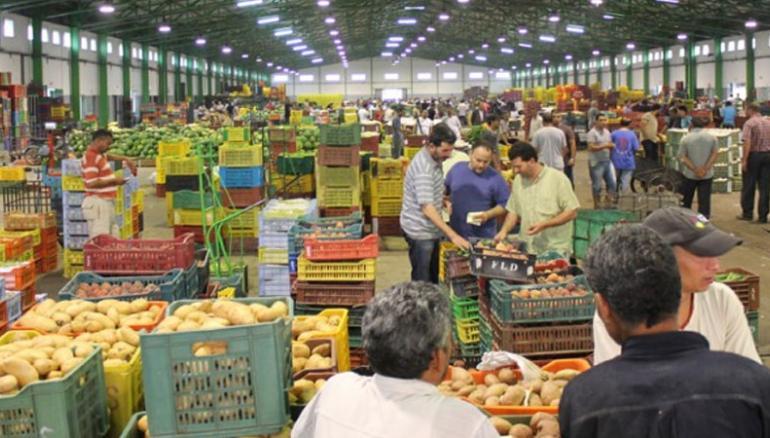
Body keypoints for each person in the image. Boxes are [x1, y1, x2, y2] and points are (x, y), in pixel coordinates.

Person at [562, 224, 770, 438]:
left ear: (604, 307)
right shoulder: (757, 384)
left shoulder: (585, 399)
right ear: (677, 290)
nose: (715, 265)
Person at [293, 282, 499, 438]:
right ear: (436, 359)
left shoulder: (336, 390)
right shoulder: (466, 424)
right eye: (449, 343)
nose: (452, 348)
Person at [593, 207, 760, 364]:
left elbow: (747, 370)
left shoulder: (722, 299)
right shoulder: (621, 310)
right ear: (661, 258)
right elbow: (618, 380)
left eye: (715, 254)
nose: (715, 266)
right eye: (701, 254)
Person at [400, 123, 469, 283]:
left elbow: (427, 193)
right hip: (420, 231)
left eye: (450, 150)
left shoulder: (432, 158)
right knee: (422, 281)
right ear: (431, 146)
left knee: (432, 276)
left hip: (430, 229)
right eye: (445, 150)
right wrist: (452, 235)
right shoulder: (424, 168)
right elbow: (427, 207)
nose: (449, 155)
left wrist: (442, 199)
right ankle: (419, 307)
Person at [494, 142, 579, 256]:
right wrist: (504, 231)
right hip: (527, 248)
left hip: (554, 250)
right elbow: (513, 211)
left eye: (518, 166)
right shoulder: (518, 181)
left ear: (532, 161)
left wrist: (545, 224)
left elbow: (572, 212)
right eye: (513, 166)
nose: (515, 171)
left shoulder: (558, 179)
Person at [444, 144, 510, 240]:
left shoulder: (495, 178)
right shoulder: (457, 169)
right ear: (470, 154)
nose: (481, 165)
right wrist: (445, 201)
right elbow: (445, 189)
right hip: (456, 234)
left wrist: (487, 215)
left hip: (482, 237)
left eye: (486, 162)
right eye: (478, 160)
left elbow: (506, 204)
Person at [80, 129, 133, 238]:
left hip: (105, 203)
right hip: (98, 203)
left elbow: (109, 156)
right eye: (107, 143)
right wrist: (114, 181)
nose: (108, 146)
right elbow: (91, 183)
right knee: (101, 239)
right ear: (100, 140)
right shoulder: (91, 157)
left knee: (112, 237)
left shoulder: (100, 155)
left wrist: (126, 159)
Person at [678, 117, 719, 218]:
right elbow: (715, 154)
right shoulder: (712, 138)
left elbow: (682, 157)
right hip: (707, 175)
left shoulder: (685, 138)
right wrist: (705, 169)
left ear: (691, 126)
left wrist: (695, 169)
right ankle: (702, 222)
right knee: (704, 201)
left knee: (687, 199)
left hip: (690, 175)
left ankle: (686, 220)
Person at [738, 103, 770, 223]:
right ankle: (763, 216)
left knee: (749, 185)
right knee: (765, 187)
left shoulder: (749, 123)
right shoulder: (768, 121)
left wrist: (744, 160)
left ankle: (747, 213)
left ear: (750, 110)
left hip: (754, 156)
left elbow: (747, 142)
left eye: (745, 109)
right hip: (768, 156)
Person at [587, 114, 617, 208]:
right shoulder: (592, 133)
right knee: (597, 186)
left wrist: (611, 146)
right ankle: (597, 205)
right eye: (601, 120)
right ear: (596, 121)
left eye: (605, 120)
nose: (603, 122)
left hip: (607, 161)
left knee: (612, 184)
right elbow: (591, 147)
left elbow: (609, 143)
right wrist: (605, 146)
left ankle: (608, 203)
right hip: (596, 163)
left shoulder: (607, 132)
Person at [610, 118, 640, 193]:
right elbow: (636, 147)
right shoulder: (632, 134)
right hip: (628, 161)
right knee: (625, 180)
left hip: (615, 160)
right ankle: (623, 198)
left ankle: (614, 195)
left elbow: (609, 145)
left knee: (615, 179)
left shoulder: (614, 133)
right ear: (629, 124)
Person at [554, 113, 577, 186]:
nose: (556, 118)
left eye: (558, 116)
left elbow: (572, 143)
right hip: (553, 161)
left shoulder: (566, 129)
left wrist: (572, 158)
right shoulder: (549, 129)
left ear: (561, 118)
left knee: (568, 182)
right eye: (553, 117)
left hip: (566, 160)